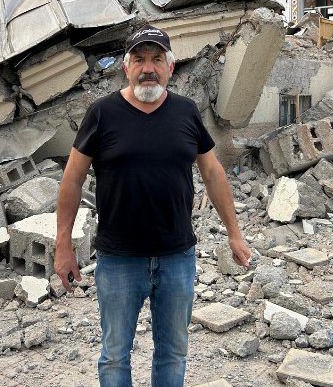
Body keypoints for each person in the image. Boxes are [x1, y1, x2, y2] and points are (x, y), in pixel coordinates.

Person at [54, 25, 251, 387]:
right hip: (119, 259)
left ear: (170, 67)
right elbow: (72, 180)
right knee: (115, 355)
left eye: (157, 59)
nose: (148, 68)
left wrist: (234, 234)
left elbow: (213, 173)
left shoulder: (186, 112)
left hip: (177, 257)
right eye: (140, 59)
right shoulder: (102, 113)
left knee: (173, 353)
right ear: (126, 67)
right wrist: (63, 244)